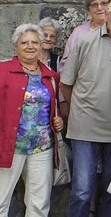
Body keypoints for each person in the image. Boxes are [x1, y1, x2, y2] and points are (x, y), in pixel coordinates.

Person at [60, 0, 111, 217]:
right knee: (82, 190)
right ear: (107, 15)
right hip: (84, 127)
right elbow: (66, 83)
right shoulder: (85, 41)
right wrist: (79, 108)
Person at [0, 24, 64, 216]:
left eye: (34, 42)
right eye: (24, 42)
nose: (30, 46)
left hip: (41, 148)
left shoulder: (50, 76)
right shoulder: (3, 70)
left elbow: (53, 107)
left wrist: (58, 119)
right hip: (9, 145)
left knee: (38, 203)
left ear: (41, 45)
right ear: (15, 46)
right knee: (1, 200)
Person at [59, 0, 111, 73]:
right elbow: (66, 66)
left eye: (104, 3)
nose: (99, 8)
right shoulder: (79, 33)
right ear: (88, 9)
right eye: (94, 5)